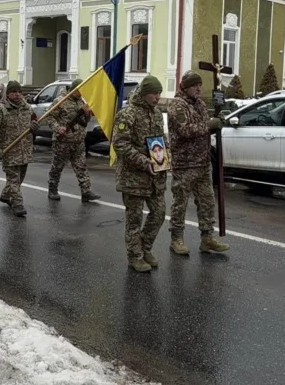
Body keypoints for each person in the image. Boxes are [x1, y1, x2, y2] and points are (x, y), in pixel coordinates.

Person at [167, 71, 230, 256]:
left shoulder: (201, 104)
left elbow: (203, 130)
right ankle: (176, 238)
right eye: (195, 86)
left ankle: (207, 238)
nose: (199, 88)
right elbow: (185, 130)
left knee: (207, 202)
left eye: (200, 85)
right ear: (185, 87)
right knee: (180, 203)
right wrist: (210, 125)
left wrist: (217, 125)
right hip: (184, 164)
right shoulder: (177, 106)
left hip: (202, 163)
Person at [111, 76, 168, 273]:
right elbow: (120, 144)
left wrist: (165, 158)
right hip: (133, 176)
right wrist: (144, 162)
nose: (158, 97)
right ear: (144, 93)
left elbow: (161, 139)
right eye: (154, 93)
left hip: (155, 176)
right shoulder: (128, 114)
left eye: (160, 93)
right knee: (134, 219)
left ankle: (145, 247)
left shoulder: (157, 113)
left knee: (159, 212)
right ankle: (135, 256)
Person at [0, 80, 38, 218]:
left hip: (25, 150)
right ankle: (17, 204)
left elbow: (33, 123)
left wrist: (34, 128)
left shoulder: (27, 108)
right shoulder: (0, 110)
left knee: (19, 178)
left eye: (19, 92)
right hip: (9, 150)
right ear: (8, 94)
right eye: (14, 92)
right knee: (14, 179)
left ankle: (5, 195)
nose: (17, 95)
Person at [46, 79, 99, 202]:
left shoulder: (82, 102)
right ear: (74, 89)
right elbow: (49, 116)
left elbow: (85, 123)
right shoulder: (60, 101)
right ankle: (52, 189)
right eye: (79, 90)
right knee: (57, 167)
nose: (81, 93)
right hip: (62, 141)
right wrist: (57, 128)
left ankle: (86, 191)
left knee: (81, 166)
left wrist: (87, 114)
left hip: (78, 141)